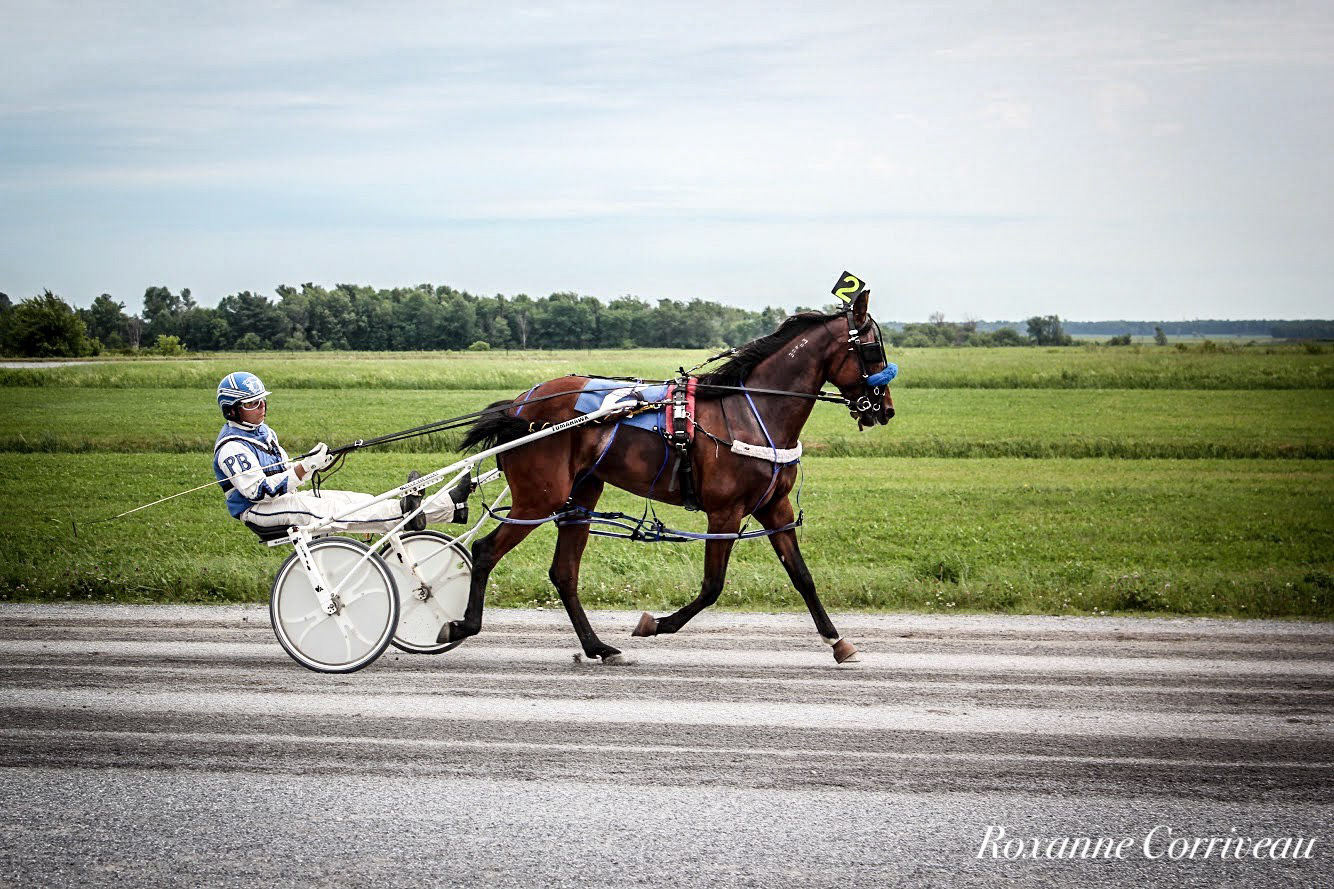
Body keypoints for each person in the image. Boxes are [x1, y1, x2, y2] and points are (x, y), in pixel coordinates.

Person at [212, 371, 467, 536]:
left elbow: (285, 471)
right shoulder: (232, 447)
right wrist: (305, 467)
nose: (261, 407)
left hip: (284, 499)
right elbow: (258, 492)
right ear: (231, 410)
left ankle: (448, 506)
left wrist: (313, 464)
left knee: (355, 500)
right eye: (252, 403)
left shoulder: (265, 432)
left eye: (262, 400)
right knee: (332, 511)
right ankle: (406, 513)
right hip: (258, 510)